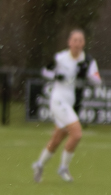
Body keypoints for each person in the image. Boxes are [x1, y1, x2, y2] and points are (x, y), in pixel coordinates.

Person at [31, 29, 102, 184]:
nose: (77, 43)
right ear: (69, 42)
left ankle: (39, 165)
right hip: (58, 100)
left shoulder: (88, 61)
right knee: (77, 134)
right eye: (74, 40)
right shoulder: (60, 58)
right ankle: (63, 168)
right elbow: (45, 71)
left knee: (57, 139)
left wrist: (87, 74)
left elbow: (97, 80)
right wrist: (56, 75)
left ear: (84, 43)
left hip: (71, 103)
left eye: (80, 40)